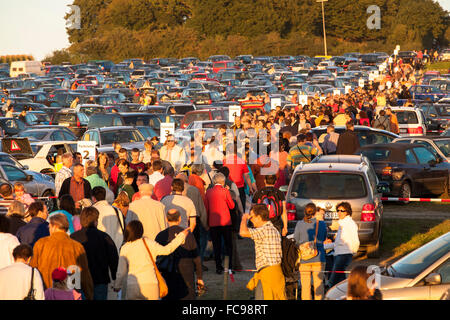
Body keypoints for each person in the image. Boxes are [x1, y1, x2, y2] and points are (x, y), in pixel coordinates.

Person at [113, 220, 189, 300]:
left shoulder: (125, 248)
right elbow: (167, 250)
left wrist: (117, 286)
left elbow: (121, 271)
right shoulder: (148, 243)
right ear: (141, 231)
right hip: (150, 284)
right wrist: (181, 237)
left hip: (133, 285)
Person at [30, 213, 94, 299]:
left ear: (54, 226)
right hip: (70, 293)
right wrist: (89, 294)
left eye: (49, 227)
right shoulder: (76, 246)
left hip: (47, 292)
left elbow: (33, 269)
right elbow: (84, 274)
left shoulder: (41, 244)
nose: (49, 229)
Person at [71, 207, 119, 300]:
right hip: (100, 279)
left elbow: (68, 259)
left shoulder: (73, 238)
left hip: (78, 281)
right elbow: (113, 258)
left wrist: (70, 281)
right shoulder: (104, 237)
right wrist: (114, 275)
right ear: (96, 221)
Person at [239, 204, 286, 300]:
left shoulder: (263, 230)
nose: (250, 219)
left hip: (267, 273)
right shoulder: (274, 229)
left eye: (252, 217)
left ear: (259, 217)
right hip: (277, 272)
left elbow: (242, 232)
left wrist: (244, 218)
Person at [155, 209, 204, 300]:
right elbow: (196, 257)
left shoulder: (161, 236)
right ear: (180, 218)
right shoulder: (188, 234)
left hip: (167, 275)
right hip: (187, 275)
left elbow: (156, 258)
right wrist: (199, 277)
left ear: (166, 219)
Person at [293, 203, 328, 300]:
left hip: (304, 258)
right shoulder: (321, 224)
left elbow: (296, 239)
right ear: (315, 212)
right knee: (319, 287)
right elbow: (324, 237)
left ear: (305, 212)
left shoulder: (299, 224)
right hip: (319, 257)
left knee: (305, 287)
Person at [324, 202, 360, 288]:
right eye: (338, 211)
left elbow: (355, 240)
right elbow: (337, 243)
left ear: (347, 212)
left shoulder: (349, 224)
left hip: (344, 254)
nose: (339, 213)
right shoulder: (342, 224)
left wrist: (352, 251)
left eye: (342, 211)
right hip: (338, 253)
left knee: (333, 280)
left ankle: (329, 295)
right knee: (341, 280)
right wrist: (323, 247)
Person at [205, 173, 235, 274]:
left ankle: (218, 267)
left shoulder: (208, 192)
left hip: (213, 222)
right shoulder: (225, 191)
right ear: (223, 181)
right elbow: (231, 206)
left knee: (216, 245)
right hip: (225, 221)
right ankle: (229, 267)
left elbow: (206, 208)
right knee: (228, 245)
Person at [92, 186, 125, 252]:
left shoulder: (91, 211)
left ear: (93, 198)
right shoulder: (116, 210)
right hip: (116, 250)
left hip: (98, 251)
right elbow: (122, 227)